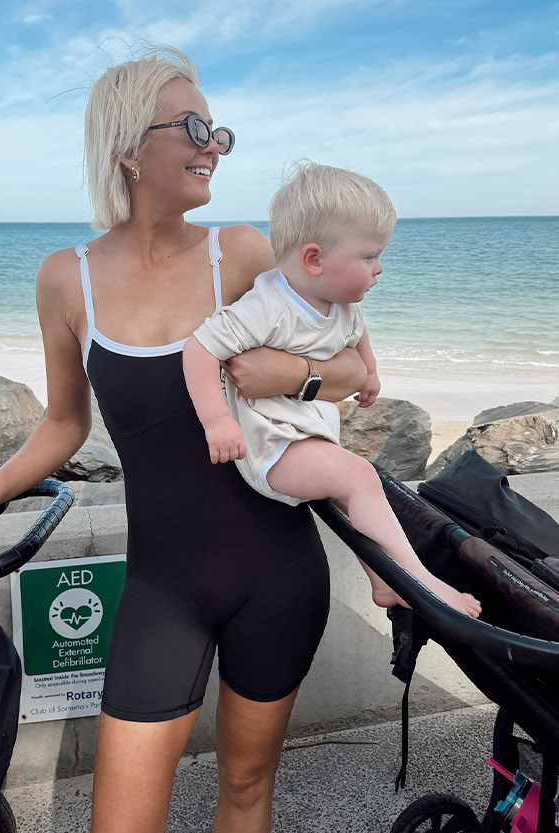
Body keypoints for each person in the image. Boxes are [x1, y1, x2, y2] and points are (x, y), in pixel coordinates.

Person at [0, 49, 369, 833]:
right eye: (193, 126)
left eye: (217, 128)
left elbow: (354, 375)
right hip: (164, 589)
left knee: (246, 783)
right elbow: (65, 423)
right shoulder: (66, 278)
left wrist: (286, 380)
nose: (214, 143)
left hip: (278, 572)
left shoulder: (244, 253)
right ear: (127, 148)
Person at [183, 162, 481, 618]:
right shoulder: (269, 305)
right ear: (314, 259)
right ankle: (421, 583)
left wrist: (371, 373)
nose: (379, 268)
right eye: (369, 256)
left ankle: (383, 579)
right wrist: (216, 420)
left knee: (351, 494)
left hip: (306, 431)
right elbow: (201, 347)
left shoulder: (339, 299)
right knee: (360, 478)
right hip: (271, 444)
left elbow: (357, 335)